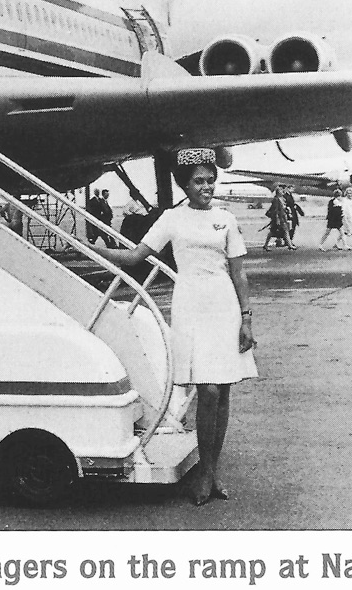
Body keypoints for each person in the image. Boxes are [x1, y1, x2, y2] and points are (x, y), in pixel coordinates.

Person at [101, 148, 256, 505]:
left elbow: (239, 273)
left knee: (223, 391)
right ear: (185, 185)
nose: (207, 187)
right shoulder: (172, 218)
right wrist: (90, 248)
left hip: (224, 307)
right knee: (208, 390)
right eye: (199, 181)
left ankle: (211, 472)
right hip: (191, 308)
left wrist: (246, 318)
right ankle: (205, 472)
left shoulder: (226, 219)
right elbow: (135, 256)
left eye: (211, 180)